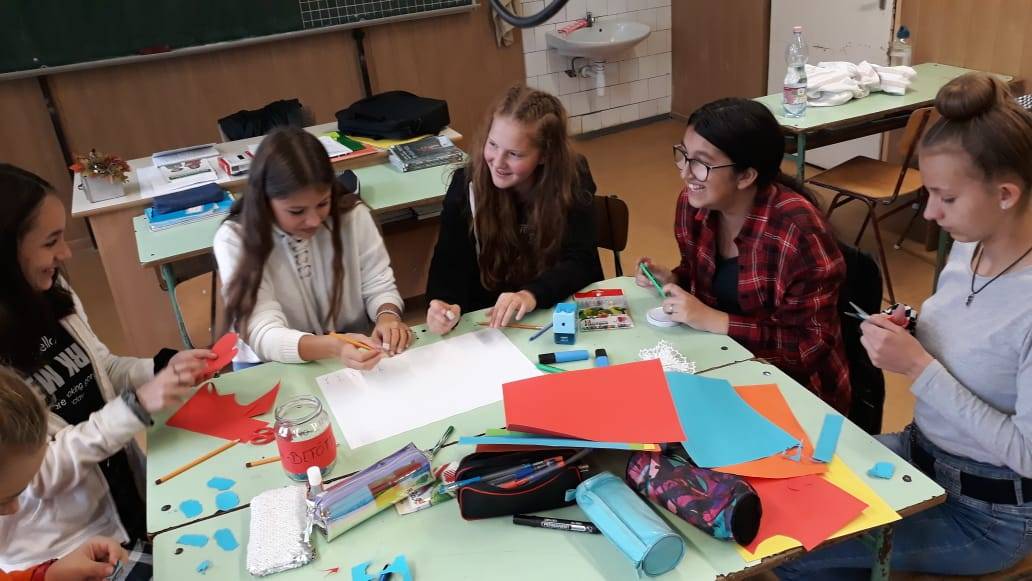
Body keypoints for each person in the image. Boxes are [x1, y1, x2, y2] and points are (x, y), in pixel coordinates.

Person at [778, 72, 1032, 579]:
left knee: (793, 555)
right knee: (781, 493)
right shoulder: (971, 243)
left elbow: (1026, 454)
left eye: (945, 197)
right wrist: (910, 326)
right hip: (921, 455)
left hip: (987, 515)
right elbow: (974, 330)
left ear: (1005, 194)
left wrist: (919, 367)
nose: (931, 213)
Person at [0, 164, 211, 571]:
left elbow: (102, 368)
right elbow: (34, 472)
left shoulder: (51, 289)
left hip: (125, 500)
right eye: (50, 242)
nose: (66, 253)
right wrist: (135, 407)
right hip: (66, 550)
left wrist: (160, 370)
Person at [637, 98, 850, 412]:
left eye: (701, 163)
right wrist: (675, 279)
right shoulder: (694, 205)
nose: (685, 173)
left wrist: (715, 320)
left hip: (797, 393)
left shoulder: (799, 234)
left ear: (746, 176)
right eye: (683, 155)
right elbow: (709, 279)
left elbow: (808, 347)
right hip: (723, 363)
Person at [214, 126, 410, 370]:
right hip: (269, 360)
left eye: (323, 203)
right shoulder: (236, 238)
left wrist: (387, 317)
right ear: (264, 201)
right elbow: (261, 332)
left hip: (347, 345)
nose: (314, 221)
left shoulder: (351, 215)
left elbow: (379, 285)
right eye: (297, 211)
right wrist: (332, 347)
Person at [425, 85, 603, 334]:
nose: (497, 162)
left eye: (514, 154)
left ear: (545, 156)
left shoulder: (572, 176)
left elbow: (582, 262)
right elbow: (448, 266)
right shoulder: (466, 185)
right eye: (492, 144)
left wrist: (530, 295)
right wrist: (444, 305)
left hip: (555, 311)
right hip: (491, 323)